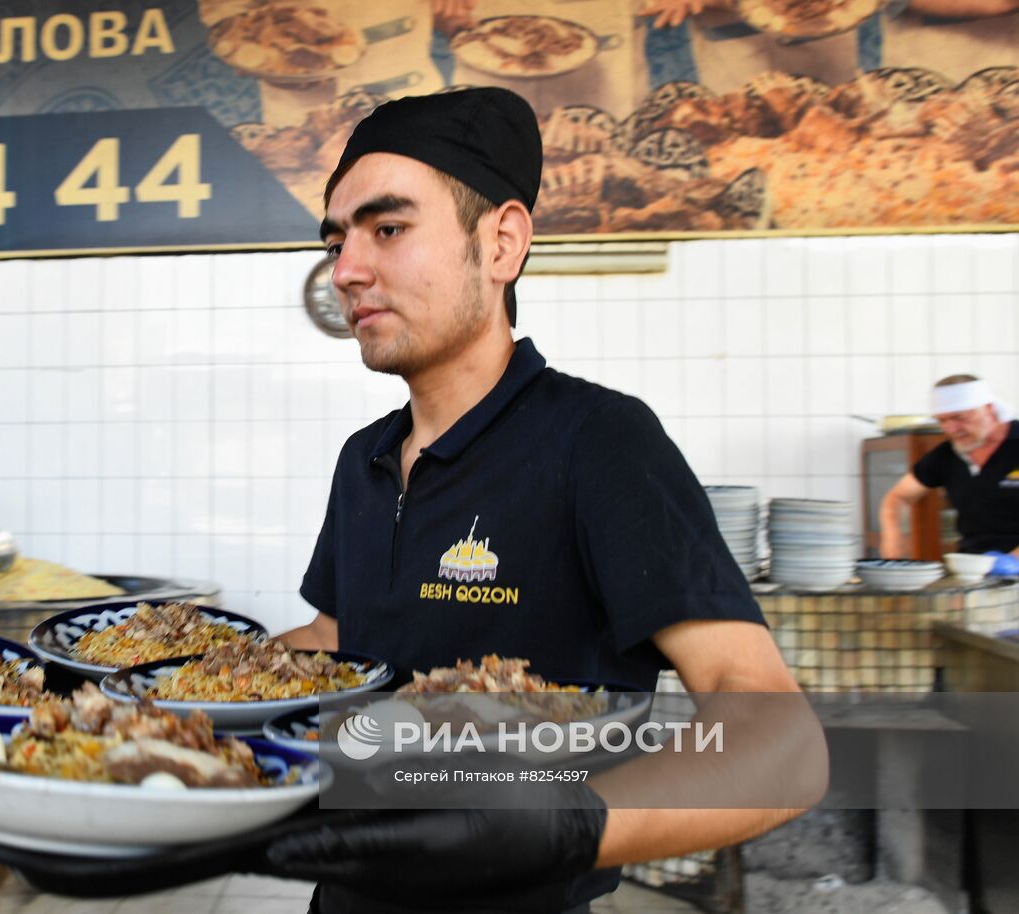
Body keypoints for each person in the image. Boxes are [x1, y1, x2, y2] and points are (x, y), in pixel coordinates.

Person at [269, 87, 825, 913]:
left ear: (502, 243)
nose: (346, 270)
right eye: (338, 239)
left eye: (387, 229)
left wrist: (571, 824)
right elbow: (343, 638)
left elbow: (781, 744)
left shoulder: (599, 442)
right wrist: (140, 687)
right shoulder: (366, 460)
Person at [880, 375, 1019, 559]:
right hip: (973, 567)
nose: (951, 429)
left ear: (988, 409)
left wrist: (1013, 559)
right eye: (942, 421)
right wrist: (892, 536)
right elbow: (898, 497)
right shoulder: (947, 455)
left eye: (959, 417)